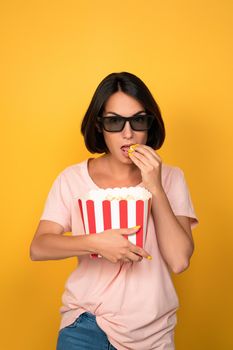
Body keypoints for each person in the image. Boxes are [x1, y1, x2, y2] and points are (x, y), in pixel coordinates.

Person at [30, 72, 198, 350]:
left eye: (138, 120)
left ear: (150, 124)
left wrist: (154, 186)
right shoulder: (72, 179)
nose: (128, 133)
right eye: (114, 121)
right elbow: (39, 247)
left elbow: (179, 260)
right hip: (85, 324)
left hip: (152, 332)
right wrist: (95, 242)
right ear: (99, 125)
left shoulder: (171, 178)